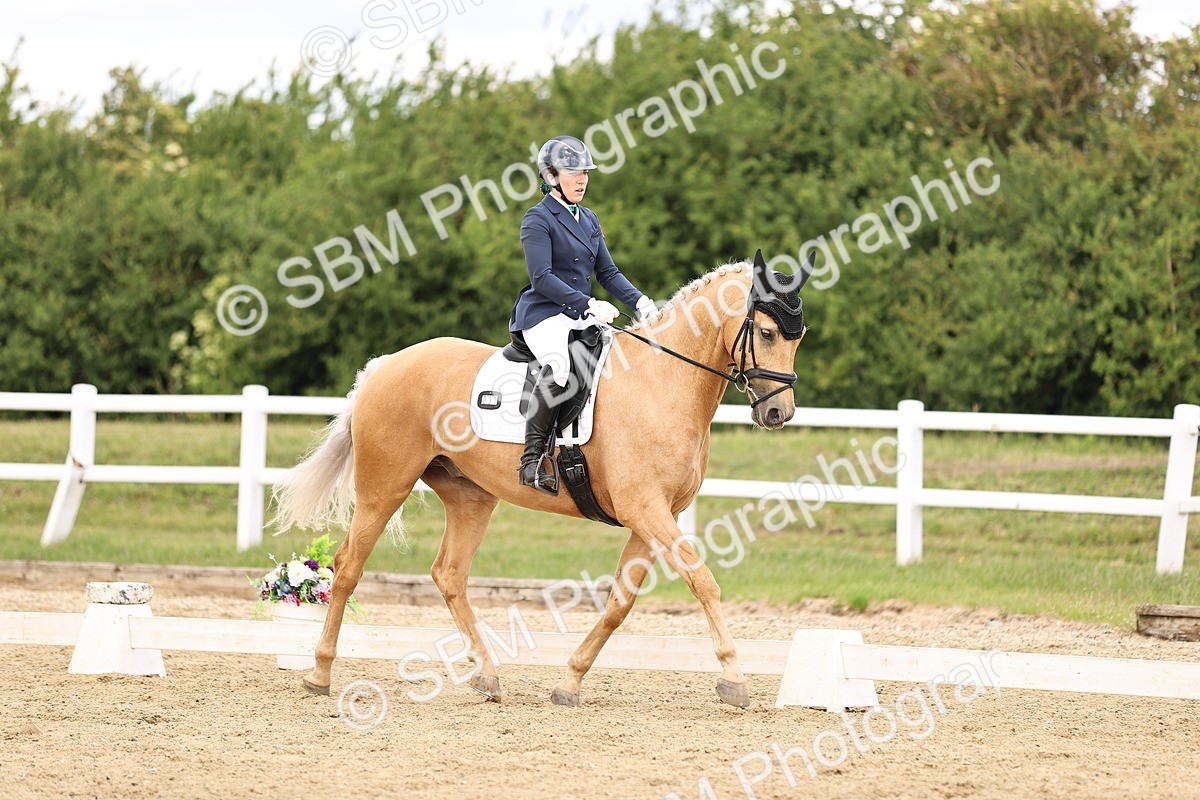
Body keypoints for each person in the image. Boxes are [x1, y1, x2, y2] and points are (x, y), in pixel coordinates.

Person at [510, 135, 657, 494]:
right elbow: (541, 278)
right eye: (573, 172)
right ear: (551, 175)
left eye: (585, 172)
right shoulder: (537, 219)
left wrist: (640, 302)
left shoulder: (588, 218)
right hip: (542, 315)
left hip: (578, 315)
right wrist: (588, 304)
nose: (582, 179)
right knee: (560, 364)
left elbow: (607, 272)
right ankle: (531, 461)